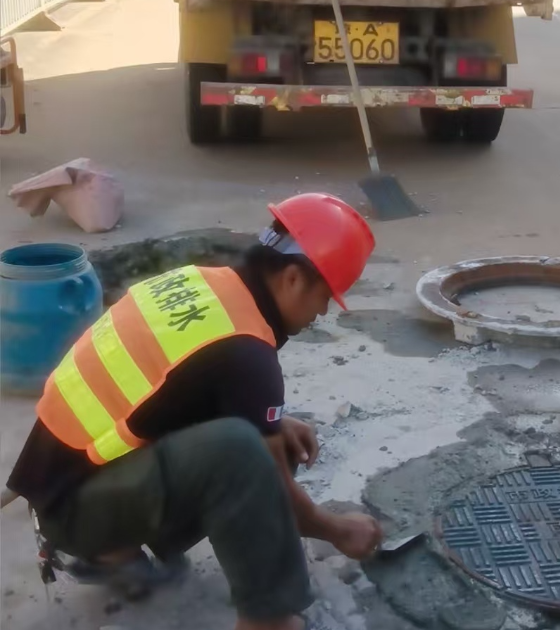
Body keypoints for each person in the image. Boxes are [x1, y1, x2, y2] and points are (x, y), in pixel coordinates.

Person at [6, 192, 383, 630]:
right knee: (245, 453)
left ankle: (114, 554)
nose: (321, 312)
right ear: (294, 278)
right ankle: (268, 620)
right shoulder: (248, 354)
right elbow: (272, 483)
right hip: (73, 508)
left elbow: (181, 388)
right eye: (324, 297)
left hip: (57, 477)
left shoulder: (202, 282)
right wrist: (337, 529)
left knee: (263, 436)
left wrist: (274, 422)